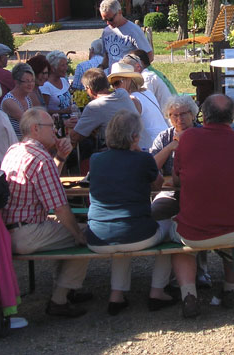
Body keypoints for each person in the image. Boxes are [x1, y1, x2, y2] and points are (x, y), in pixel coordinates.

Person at [169, 94, 234, 318]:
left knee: (175, 238)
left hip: (193, 231)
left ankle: (189, 295)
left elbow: (176, 180)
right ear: (232, 118)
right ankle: (231, 289)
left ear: (203, 117)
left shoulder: (187, 139)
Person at [1, 107, 90, 318]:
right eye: (52, 126)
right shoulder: (40, 157)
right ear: (36, 129)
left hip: (8, 231)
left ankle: (66, 290)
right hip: (26, 233)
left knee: (65, 232)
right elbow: (59, 206)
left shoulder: (14, 150)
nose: (56, 131)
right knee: (87, 234)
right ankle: (60, 299)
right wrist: (78, 234)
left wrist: (60, 156)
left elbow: (45, 187)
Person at [86, 110, 176, 315]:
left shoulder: (95, 159)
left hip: (97, 237)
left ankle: (116, 295)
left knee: (120, 235)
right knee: (170, 226)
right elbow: (158, 185)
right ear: (135, 137)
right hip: (136, 233)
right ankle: (157, 291)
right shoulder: (142, 159)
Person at [148, 95, 211, 289]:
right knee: (155, 211)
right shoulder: (164, 136)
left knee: (197, 219)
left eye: (183, 114)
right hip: (170, 192)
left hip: (199, 194)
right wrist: (171, 147)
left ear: (193, 115)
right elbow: (151, 168)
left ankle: (200, 272)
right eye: (173, 115)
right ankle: (166, 272)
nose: (179, 119)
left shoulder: (204, 134)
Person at [107, 62, 168, 150]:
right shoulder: (147, 92)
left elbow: (127, 128)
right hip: (164, 140)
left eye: (117, 83)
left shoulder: (132, 100)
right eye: (112, 85)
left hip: (153, 146)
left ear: (128, 80)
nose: (115, 88)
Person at [70, 68, 136, 148]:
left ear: (89, 90)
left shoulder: (94, 106)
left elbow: (74, 137)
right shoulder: (123, 93)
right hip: (138, 145)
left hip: (120, 152)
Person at [99, 0, 153, 70]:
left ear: (120, 12)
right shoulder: (106, 32)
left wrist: (135, 73)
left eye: (110, 19)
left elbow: (149, 56)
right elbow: (107, 57)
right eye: (105, 20)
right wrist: (101, 67)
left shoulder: (134, 30)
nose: (108, 23)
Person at [1, 63, 36, 139]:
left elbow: (35, 118)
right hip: (13, 141)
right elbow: (28, 123)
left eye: (32, 80)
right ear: (17, 82)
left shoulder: (27, 98)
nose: (30, 84)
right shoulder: (9, 101)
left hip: (27, 139)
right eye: (26, 81)